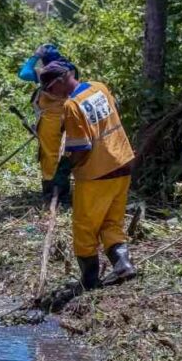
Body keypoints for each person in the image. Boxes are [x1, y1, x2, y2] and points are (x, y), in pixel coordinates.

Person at [39, 61, 137, 290]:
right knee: (112, 220)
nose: (52, 95)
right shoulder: (99, 87)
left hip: (97, 173)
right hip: (122, 162)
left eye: (52, 89)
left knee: (85, 226)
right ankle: (123, 265)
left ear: (63, 80)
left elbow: (80, 148)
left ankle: (90, 278)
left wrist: (64, 170)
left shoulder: (72, 106)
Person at [18, 44, 76, 203]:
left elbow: (23, 73)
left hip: (52, 120)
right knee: (65, 153)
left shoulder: (49, 72)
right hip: (69, 116)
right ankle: (62, 192)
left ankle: (53, 194)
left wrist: (34, 56)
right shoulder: (70, 69)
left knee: (50, 156)